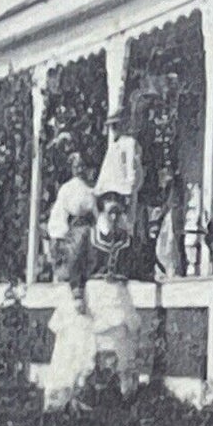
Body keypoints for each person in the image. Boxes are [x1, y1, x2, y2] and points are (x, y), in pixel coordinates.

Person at [44, 191, 141, 410]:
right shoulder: (89, 236)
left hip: (117, 296)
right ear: (101, 212)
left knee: (117, 345)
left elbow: (136, 266)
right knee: (80, 345)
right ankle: (71, 397)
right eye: (110, 212)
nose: (114, 217)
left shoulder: (127, 240)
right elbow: (75, 267)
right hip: (92, 297)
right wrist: (77, 295)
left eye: (118, 212)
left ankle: (113, 399)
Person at [45, 148, 96, 277]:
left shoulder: (91, 187)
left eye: (82, 166)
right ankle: (75, 282)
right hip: (70, 230)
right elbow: (69, 211)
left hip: (90, 226)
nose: (80, 170)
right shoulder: (67, 188)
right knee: (79, 239)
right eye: (76, 167)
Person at [95, 105, 144, 234]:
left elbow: (132, 166)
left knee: (125, 224)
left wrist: (130, 188)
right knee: (105, 224)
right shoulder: (114, 145)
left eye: (116, 125)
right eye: (113, 126)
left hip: (122, 190)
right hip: (108, 190)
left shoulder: (129, 143)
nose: (114, 129)